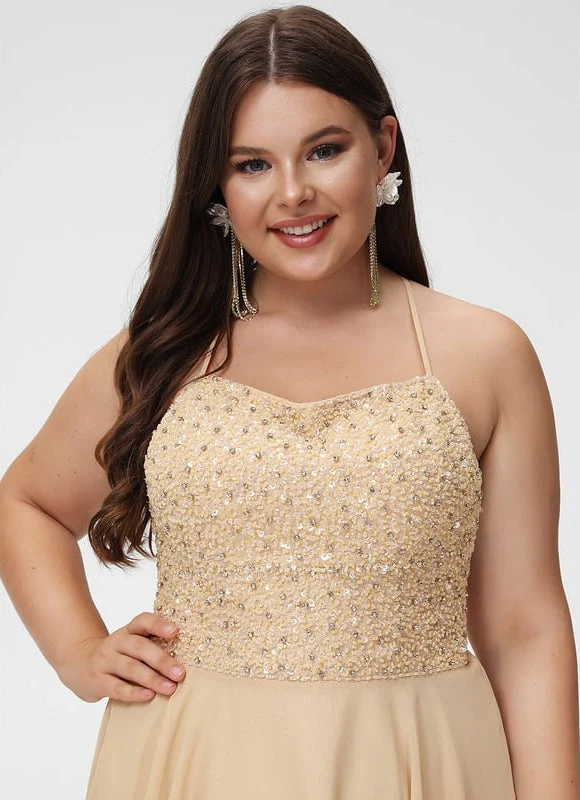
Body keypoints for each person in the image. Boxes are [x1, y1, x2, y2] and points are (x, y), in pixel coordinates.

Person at [0, 4, 578, 798]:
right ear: (217, 184)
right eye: (252, 165)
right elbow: (27, 501)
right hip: (194, 761)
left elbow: (525, 631)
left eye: (324, 150)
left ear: (382, 148)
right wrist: (76, 653)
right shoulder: (164, 353)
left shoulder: (485, 355)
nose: (294, 193)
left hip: (420, 761)